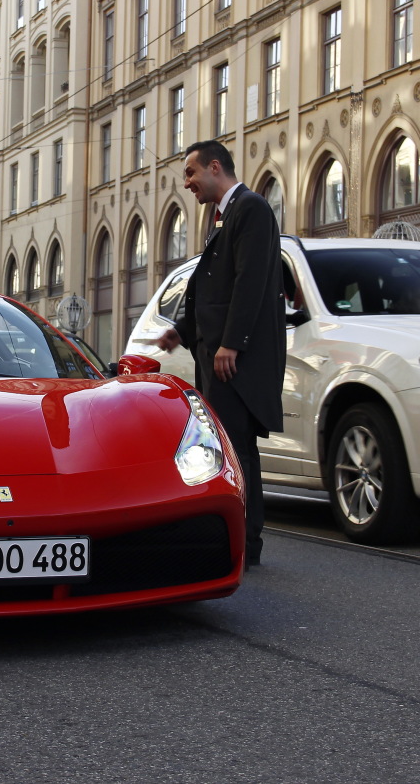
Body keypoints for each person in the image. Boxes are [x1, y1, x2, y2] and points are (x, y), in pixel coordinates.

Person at [154, 140, 286, 566]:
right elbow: (214, 287)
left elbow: (250, 283)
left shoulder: (251, 209)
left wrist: (231, 343)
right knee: (226, 447)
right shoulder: (225, 217)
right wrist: (181, 330)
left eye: (191, 173)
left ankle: (246, 543)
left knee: (238, 449)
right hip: (216, 356)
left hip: (235, 360)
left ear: (215, 167)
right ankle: (234, 539)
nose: (188, 183)